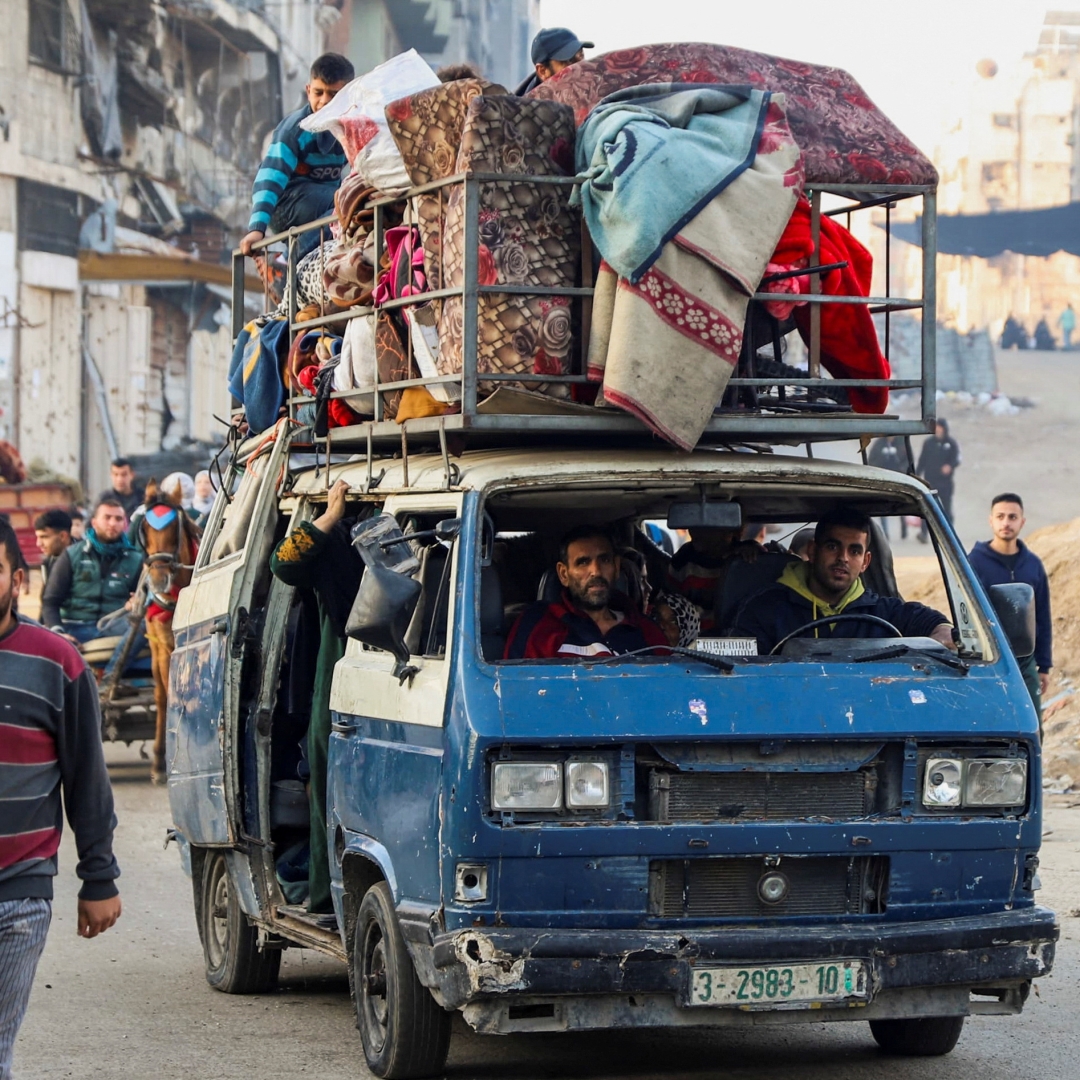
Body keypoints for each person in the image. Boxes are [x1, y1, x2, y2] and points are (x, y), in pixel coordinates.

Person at [0, 518, 122, 1080]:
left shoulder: (57, 662)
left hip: (17, 896)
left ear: (16, 578)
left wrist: (99, 878)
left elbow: (86, 777)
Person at [269, 479, 363, 917]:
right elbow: (283, 563)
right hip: (341, 675)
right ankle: (326, 897)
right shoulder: (337, 540)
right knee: (328, 792)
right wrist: (328, 517)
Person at [729, 506, 955, 655]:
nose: (843, 558)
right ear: (813, 551)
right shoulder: (765, 609)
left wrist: (944, 634)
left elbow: (936, 625)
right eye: (832, 546)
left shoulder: (885, 612)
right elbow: (741, 673)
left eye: (854, 551)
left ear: (865, 562)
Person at [240, 53, 354, 261]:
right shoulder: (296, 131)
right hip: (286, 205)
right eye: (318, 93)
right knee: (346, 202)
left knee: (357, 202)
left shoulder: (350, 129)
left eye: (333, 95)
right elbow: (269, 179)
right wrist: (257, 228)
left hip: (319, 206)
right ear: (308, 90)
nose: (324, 102)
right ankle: (286, 262)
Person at [505, 526, 669, 658]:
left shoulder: (646, 630)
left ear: (617, 567)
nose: (596, 572)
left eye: (604, 560)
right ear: (564, 574)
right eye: (583, 562)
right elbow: (514, 691)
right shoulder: (538, 627)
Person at [968, 493, 1052, 716]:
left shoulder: (1032, 565)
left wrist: (1044, 666)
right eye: (1001, 516)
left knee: (1031, 723)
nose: (1006, 522)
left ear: (1022, 522)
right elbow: (966, 610)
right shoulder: (974, 562)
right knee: (994, 722)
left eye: (1012, 517)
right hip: (989, 658)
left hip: (1025, 661)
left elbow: (1042, 616)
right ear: (991, 520)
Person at [40, 498, 143, 645]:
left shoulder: (135, 559)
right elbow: (50, 601)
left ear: (124, 524)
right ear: (94, 522)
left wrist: (136, 603)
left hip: (114, 627)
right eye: (107, 518)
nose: (113, 523)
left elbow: (141, 599)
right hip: (74, 627)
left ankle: (113, 669)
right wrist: (58, 632)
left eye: (118, 519)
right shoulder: (71, 555)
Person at [665, 522, 761, 633]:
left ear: (729, 531)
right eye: (693, 524)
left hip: (741, 641)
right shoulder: (683, 559)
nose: (695, 532)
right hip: (694, 641)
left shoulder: (749, 554)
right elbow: (668, 605)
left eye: (706, 527)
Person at [515, 27, 593, 95]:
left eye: (581, 56)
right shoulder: (529, 110)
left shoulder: (595, 91)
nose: (582, 67)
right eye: (570, 60)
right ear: (543, 71)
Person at [916, 419, 960, 530]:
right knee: (928, 507)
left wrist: (950, 466)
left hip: (945, 482)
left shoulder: (951, 443)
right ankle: (924, 533)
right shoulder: (928, 443)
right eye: (936, 428)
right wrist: (916, 474)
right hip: (930, 481)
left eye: (940, 428)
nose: (938, 430)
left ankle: (949, 531)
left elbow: (957, 459)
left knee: (946, 508)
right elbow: (922, 460)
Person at [867, 435, 912, 539]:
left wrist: (903, 471)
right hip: (884, 480)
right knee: (883, 505)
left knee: (901, 504)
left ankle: (904, 527)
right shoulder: (879, 444)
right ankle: (885, 532)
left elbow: (908, 460)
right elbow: (871, 460)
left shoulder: (901, 443)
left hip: (898, 479)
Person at [34, 509, 73, 588]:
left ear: (63, 536)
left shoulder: (87, 559)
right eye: (37, 537)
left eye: (44, 537)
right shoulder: (48, 563)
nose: (38, 544)